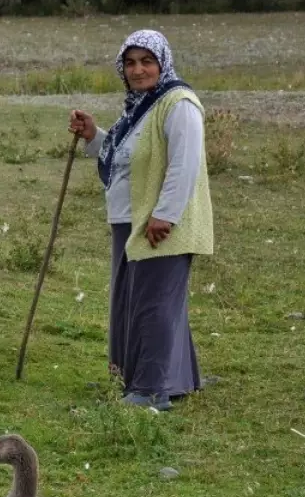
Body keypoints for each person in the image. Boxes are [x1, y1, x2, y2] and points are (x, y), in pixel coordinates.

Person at [68, 29, 214, 411]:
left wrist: (165, 214)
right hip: (129, 219)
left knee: (153, 303)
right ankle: (157, 380)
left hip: (158, 222)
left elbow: (185, 163)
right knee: (135, 301)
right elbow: (126, 157)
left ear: (162, 62)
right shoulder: (141, 106)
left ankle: (150, 390)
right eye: (130, 63)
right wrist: (94, 135)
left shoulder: (179, 103)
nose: (138, 70)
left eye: (147, 61)